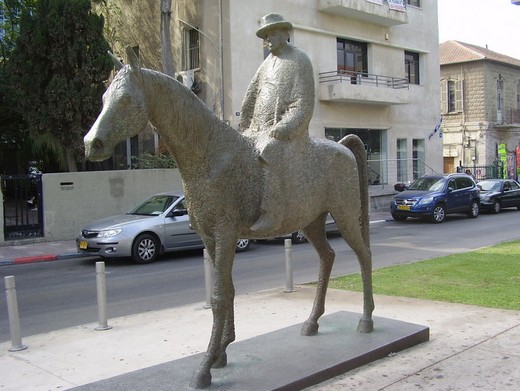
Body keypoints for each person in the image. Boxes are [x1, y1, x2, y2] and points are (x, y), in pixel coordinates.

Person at [238, 13, 315, 233]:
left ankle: (272, 213)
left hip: (287, 134)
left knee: (270, 150)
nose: (267, 39)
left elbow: (304, 104)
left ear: (284, 33)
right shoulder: (266, 65)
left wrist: (287, 127)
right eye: (265, 35)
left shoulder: (300, 60)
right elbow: (250, 97)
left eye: (271, 34)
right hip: (258, 130)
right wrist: (243, 127)